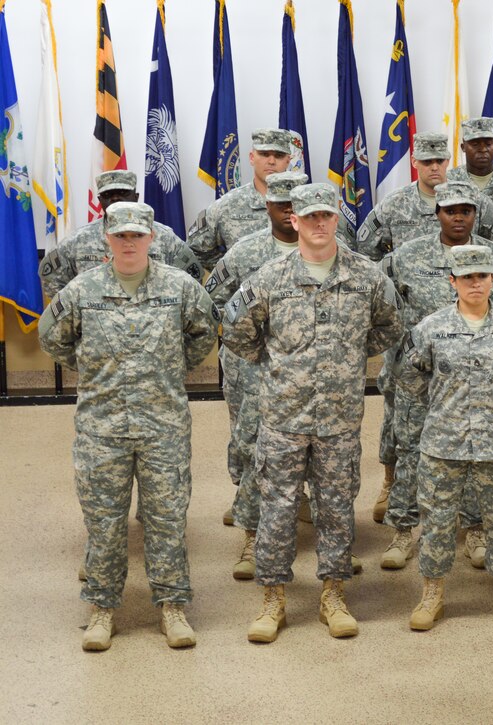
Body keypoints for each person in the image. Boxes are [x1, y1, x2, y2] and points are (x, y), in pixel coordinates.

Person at [221, 183, 402, 642]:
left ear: (336, 219)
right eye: (310, 217)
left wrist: (349, 356)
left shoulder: (367, 276)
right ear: (294, 220)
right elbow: (237, 331)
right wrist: (277, 363)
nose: (319, 224)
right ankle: (273, 598)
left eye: (327, 216)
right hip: (283, 416)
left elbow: (389, 326)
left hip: (340, 419)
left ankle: (333, 594)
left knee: (338, 508)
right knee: (277, 507)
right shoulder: (268, 277)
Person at [38, 201, 217, 651]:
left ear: (152, 237)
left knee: (167, 518)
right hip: (102, 427)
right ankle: (102, 607)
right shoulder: (82, 290)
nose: (130, 243)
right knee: (104, 521)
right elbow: (52, 337)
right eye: (121, 236)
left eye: (138, 235)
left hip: (164, 426)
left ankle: (172, 606)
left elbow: (203, 335)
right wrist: (98, 372)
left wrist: (168, 370)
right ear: (107, 239)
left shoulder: (180, 287)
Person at [205, 171, 361, 579]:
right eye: (283, 204)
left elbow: (375, 325)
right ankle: (253, 537)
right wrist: (264, 354)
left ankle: (332, 546)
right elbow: (217, 302)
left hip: (325, 378)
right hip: (257, 371)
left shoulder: (343, 256)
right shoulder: (246, 252)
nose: (292, 211)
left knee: (327, 461)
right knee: (255, 448)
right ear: (271, 208)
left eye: (301, 205)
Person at [398, 244, 493, 631]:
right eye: (467, 277)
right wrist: (441, 403)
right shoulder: (430, 328)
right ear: (453, 281)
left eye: (482, 276)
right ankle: (432, 592)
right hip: (442, 443)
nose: (475, 283)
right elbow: (410, 374)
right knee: (437, 521)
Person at [380, 181, 493, 572]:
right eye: (449, 210)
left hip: (480, 380)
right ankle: (403, 530)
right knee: (412, 452)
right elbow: (382, 301)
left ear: (476, 214)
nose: (458, 216)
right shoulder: (407, 255)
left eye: (466, 209)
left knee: (480, 453)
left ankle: (475, 530)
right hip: (422, 374)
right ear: (437, 213)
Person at [39, 170, 201, 299]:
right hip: (99, 327)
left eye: (123, 192)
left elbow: (193, 277)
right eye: (107, 195)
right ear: (99, 200)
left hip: (154, 326)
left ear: (136, 197)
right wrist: (76, 311)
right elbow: (51, 276)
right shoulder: (79, 239)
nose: (115, 198)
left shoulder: (164, 236)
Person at [355, 132, 493, 261]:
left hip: (464, 290)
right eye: (427, 162)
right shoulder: (394, 203)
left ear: (447, 161)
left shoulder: (474, 199)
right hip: (410, 292)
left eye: (439, 161)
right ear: (414, 162)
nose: (434, 167)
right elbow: (364, 248)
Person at [187, 128, 293, 271]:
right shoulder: (227, 205)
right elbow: (195, 249)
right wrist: (232, 271)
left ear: (288, 161)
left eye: (279, 155)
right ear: (251, 157)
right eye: (264, 154)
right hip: (245, 292)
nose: (271, 161)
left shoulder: (305, 203)